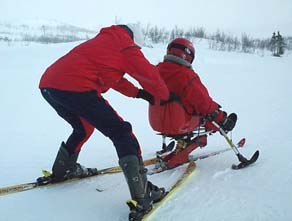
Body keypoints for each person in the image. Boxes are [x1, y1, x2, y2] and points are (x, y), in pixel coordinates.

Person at [38, 24, 169, 220]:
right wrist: (164, 96)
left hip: (49, 86)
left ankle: (63, 170)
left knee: (82, 127)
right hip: (76, 87)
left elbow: (114, 79)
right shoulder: (126, 46)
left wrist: (139, 94)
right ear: (135, 41)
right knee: (122, 133)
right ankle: (142, 195)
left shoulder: (106, 42)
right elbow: (148, 73)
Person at [148, 37, 237, 169]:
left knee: (186, 106)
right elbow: (204, 103)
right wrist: (222, 119)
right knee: (207, 116)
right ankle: (188, 148)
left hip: (157, 121)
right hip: (180, 124)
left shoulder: (155, 70)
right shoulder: (187, 76)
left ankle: (182, 144)